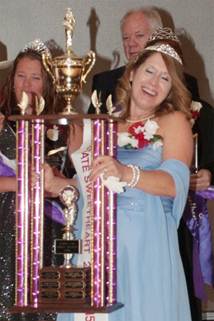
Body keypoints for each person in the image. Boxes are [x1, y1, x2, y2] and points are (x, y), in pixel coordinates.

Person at [44, 27, 193, 321]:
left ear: (171, 88)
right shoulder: (103, 123)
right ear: (133, 72)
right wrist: (59, 184)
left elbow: (174, 184)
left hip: (144, 251)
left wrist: (127, 173)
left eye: (165, 78)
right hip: (94, 244)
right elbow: (91, 183)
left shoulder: (173, 121)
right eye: (150, 71)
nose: (154, 83)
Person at [0, 39, 66, 321]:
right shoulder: (2, 122)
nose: (26, 85)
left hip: (49, 228)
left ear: (47, 82)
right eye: (21, 76)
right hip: (6, 223)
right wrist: (23, 184)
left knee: (45, 305)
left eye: (35, 77)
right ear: (11, 79)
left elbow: (69, 182)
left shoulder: (62, 125)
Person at [88, 6, 199, 114]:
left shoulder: (185, 83)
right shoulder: (104, 82)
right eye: (125, 38)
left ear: (157, 39)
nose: (130, 44)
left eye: (139, 35)